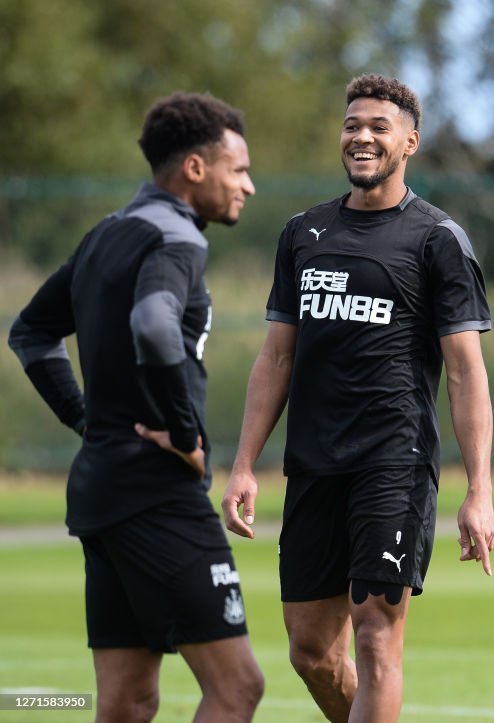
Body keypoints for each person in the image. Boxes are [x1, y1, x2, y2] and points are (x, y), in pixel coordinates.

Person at [221, 74, 494, 722]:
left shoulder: (437, 239)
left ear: (410, 142)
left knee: (375, 635)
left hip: (392, 462)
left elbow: (465, 371)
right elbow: (277, 356)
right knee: (311, 651)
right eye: (352, 125)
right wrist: (242, 464)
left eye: (378, 126)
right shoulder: (303, 233)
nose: (362, 136)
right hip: (314, 463)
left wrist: (479, 489)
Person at [7, 92, 263, 722]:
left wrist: (86, 419)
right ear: (195, 170)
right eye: (238, 170)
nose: (249, 187)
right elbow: (154, 324)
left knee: (127, 701)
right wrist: (184, 431)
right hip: (158, 492)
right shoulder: (178, 240)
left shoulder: (105, 235)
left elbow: (30, 332)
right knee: (238, 689)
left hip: (103, 490)